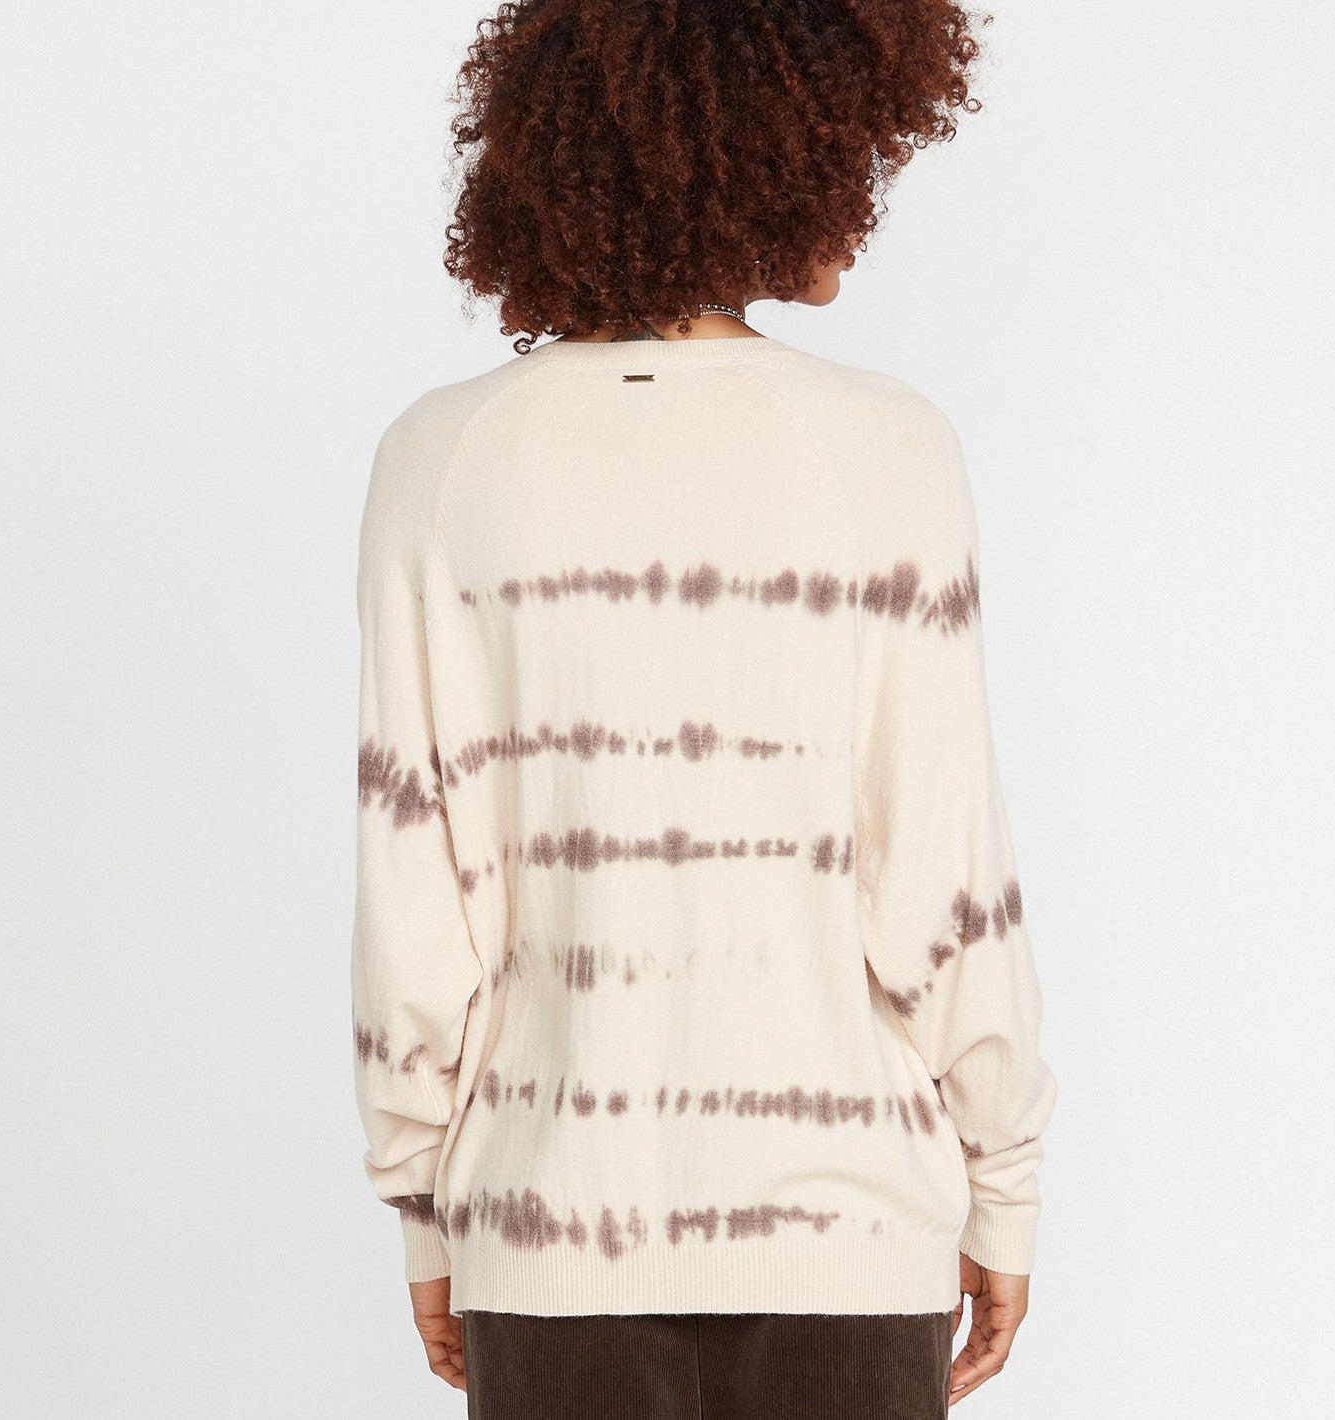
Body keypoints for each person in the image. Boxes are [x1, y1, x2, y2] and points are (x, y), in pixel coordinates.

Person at [349, 1, 1058, 1415]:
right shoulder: (890, 449)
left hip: (548, 1230)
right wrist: (1005, 1182)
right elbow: (943, 871)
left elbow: (413, 897)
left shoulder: (441, 458)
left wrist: (425, 1207)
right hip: (851, 1227)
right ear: (786, 157)